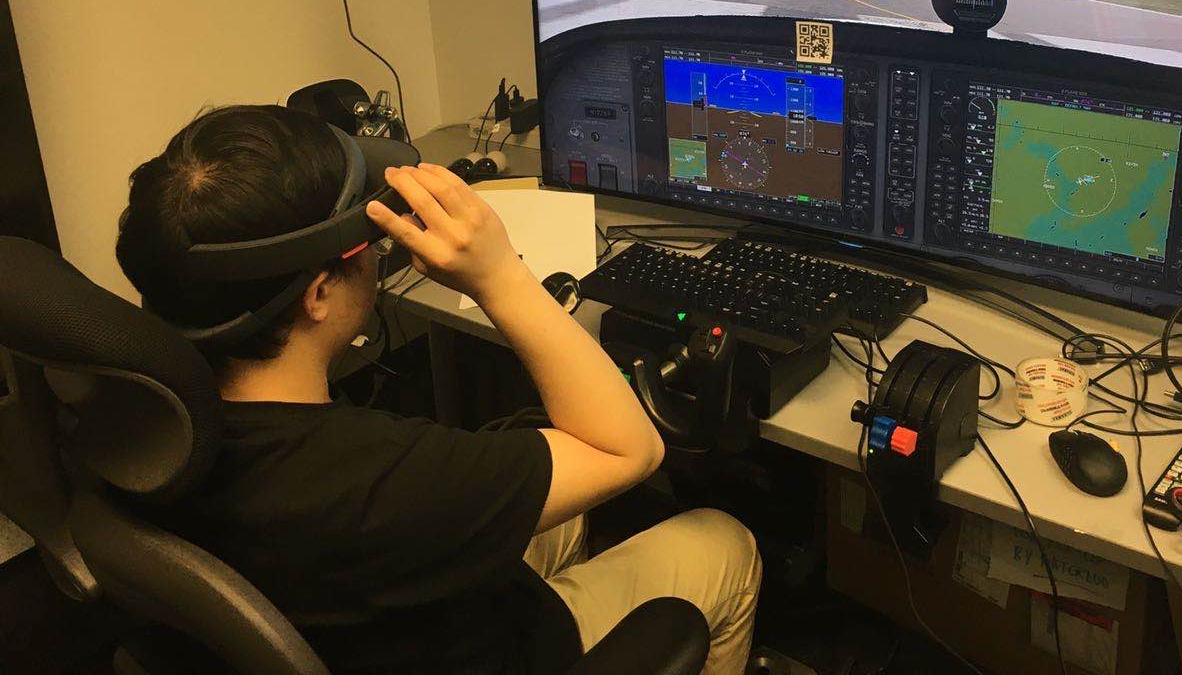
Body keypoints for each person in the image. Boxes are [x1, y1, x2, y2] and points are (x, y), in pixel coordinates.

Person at [115, 104, 760, 674]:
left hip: (360, 610)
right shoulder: (380, 480)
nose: (379, 253)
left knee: (566, 506)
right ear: (318, 294)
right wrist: (499, 275)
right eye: (369, 242)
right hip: (490, 646)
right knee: (722, 540)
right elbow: (631, 451)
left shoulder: (132, 419)